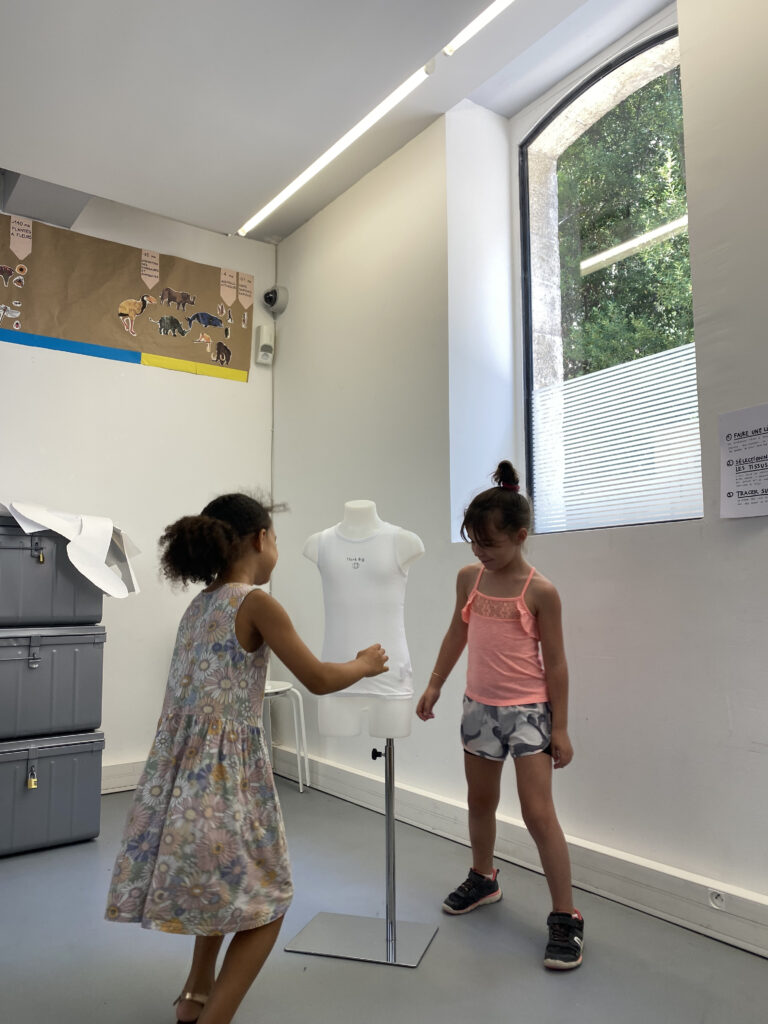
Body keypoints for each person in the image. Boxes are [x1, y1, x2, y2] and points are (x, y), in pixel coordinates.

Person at [105, 493, 388, 1024]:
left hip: (180, 786)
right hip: (226, 785)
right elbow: (318, 679)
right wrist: (364, 663)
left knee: (226, 891)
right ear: (261, 539)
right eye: (275, 537)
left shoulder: (199, 605)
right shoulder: (256, 603)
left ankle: (194, 996)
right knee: (266, 902)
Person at [416, 462, 583, 970]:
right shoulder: (470, 579)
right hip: (479, 708)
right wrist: (436, 682)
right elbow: (457, 632)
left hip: (529, 713)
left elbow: (556, 663)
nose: (479, 552)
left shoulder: (540, 591)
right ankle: (483, 877)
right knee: (480, 800)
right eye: (473, 542)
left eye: (489, 543)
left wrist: (560, 727)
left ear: (520, 536)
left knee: (538, 813)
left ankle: (566, 915)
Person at [304, 499, 423, 738]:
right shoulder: (319, 542)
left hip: (390, 675)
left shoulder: (403, 541)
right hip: (336, 676)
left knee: (390, 743)